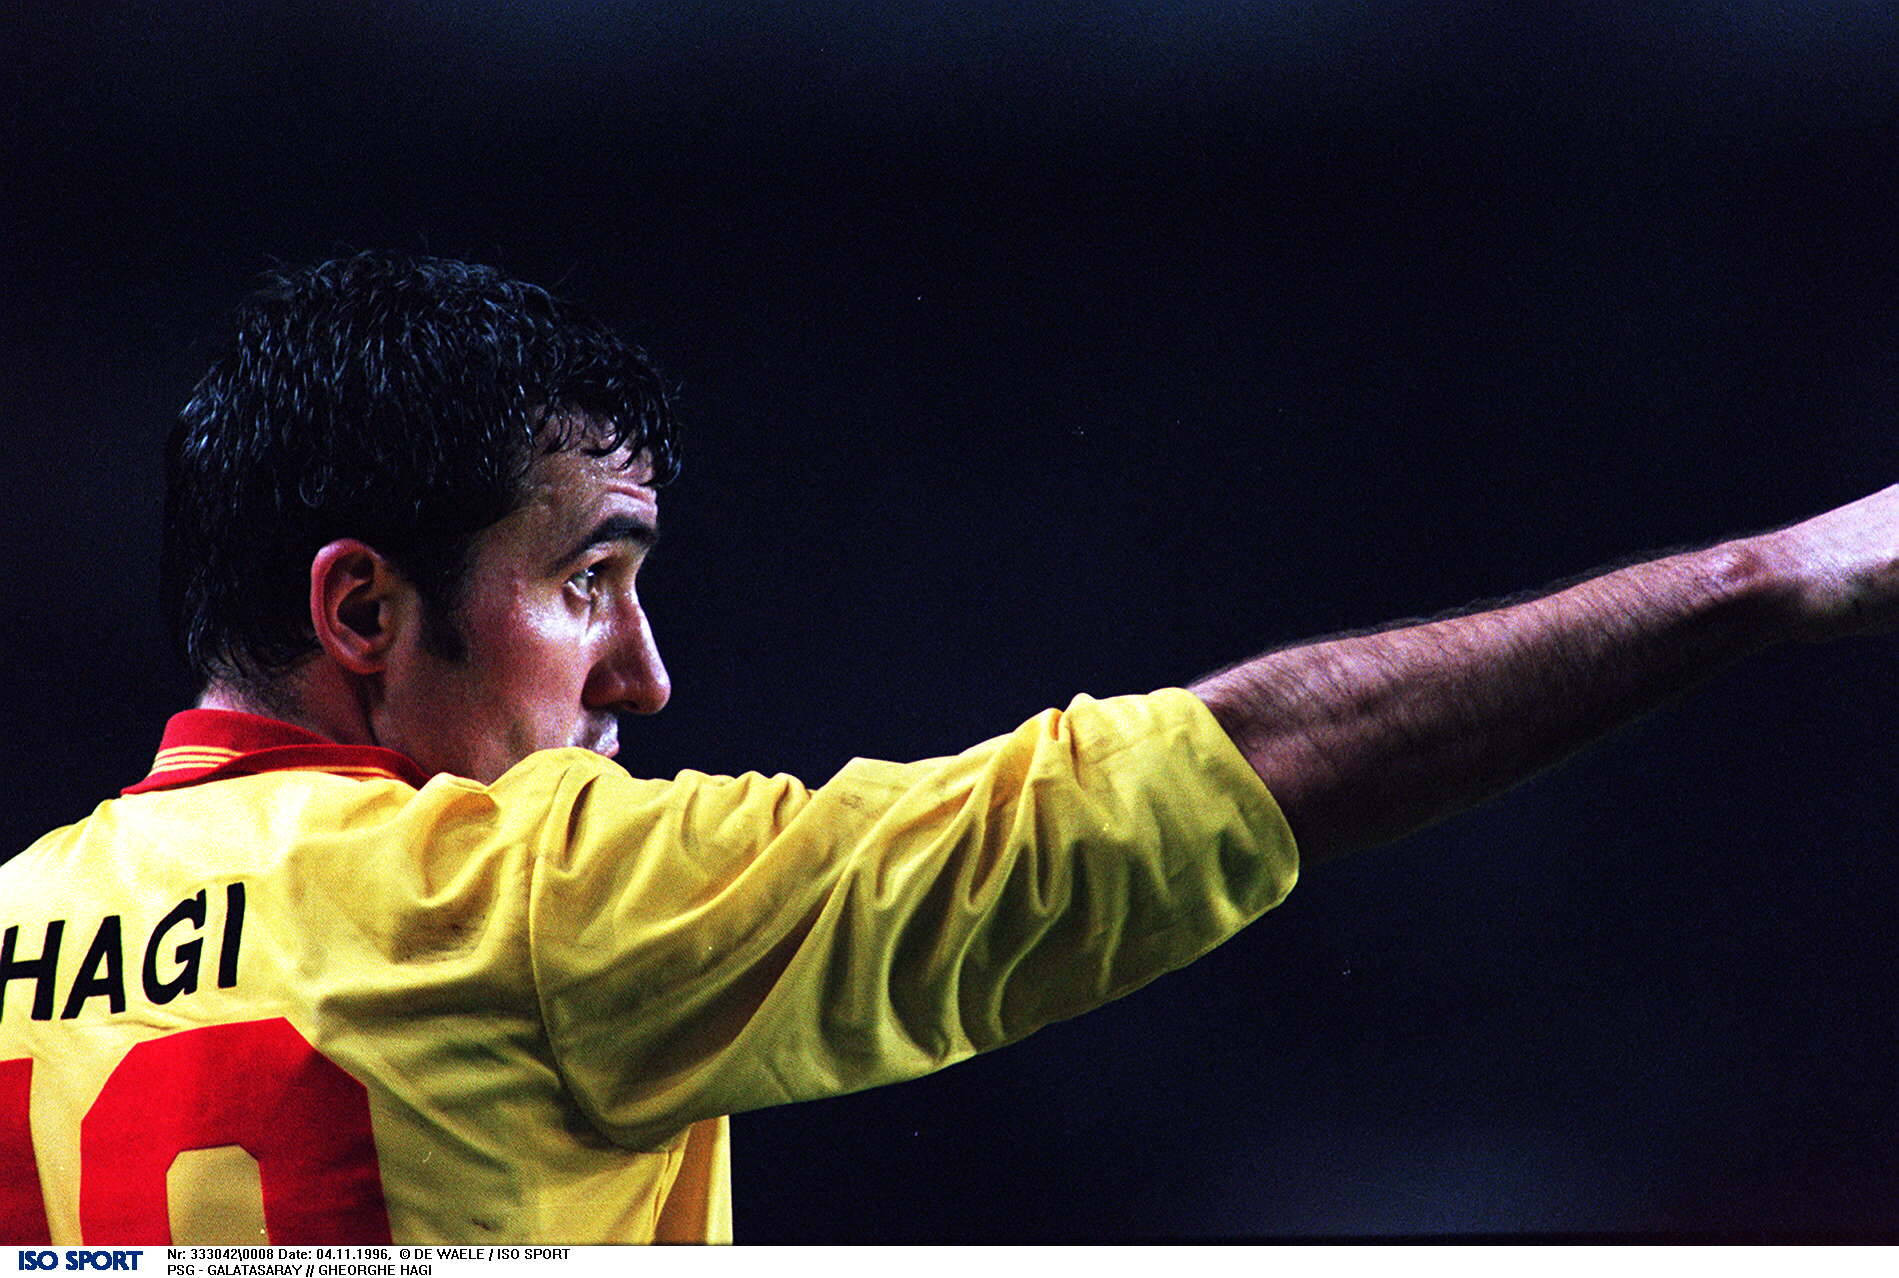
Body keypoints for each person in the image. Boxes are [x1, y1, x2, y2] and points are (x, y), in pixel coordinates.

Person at [1, 252, 1894, 1245]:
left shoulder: (20, 923)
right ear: (362, 611)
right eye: (588, 583)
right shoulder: (525, 896)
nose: (644, 674)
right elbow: (1166, 795)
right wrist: (1768, 577)